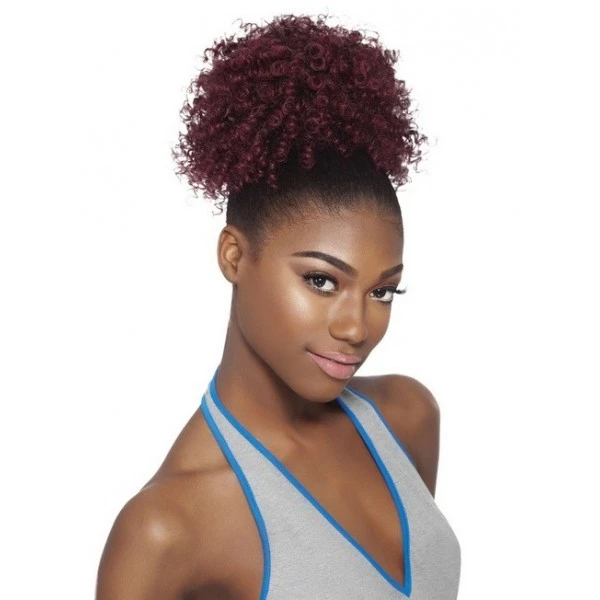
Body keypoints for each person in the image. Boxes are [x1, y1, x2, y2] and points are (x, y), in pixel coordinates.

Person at [96, 13, 461, 600]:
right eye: (321, 280)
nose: (356, 327)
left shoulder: (407, 418)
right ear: (234, 256)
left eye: (382, 291)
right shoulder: (168, 530)